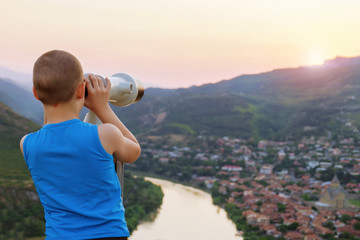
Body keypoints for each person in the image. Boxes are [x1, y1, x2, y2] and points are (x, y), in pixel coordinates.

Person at [19, 50, 141, 240]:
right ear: (80, 90)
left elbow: (52, 128)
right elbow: (133, 151)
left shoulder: (27, 144)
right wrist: (102, 107)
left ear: (35, 93)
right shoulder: (105, 134)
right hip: (108, 235)